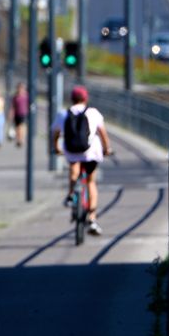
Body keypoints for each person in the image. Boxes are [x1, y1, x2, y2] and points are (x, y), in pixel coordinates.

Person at [52, 85, 112, 235]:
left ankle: (71, 195)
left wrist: (56, 147)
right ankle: (92, 218)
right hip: (91, 153)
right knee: (91, 182)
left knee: (74, 169)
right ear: (86, 98)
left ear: (71, 99)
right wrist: (107, 149)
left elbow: (55, 133)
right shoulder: (93, 113)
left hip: (72, 151)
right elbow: (103, 133)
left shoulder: (63, 114)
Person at [11, 82, 30, 147]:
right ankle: (18, 139)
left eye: (21, 88)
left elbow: (29, 104)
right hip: (17, 113)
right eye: (19, 88)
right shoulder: (15, 96)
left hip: (24, 113)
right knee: (17, 128)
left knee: (21, 127)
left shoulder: (26, 96)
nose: (20, 89)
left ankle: (21, 139)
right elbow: (13, 106)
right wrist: (11, 113)